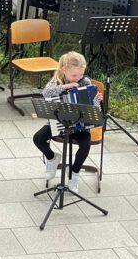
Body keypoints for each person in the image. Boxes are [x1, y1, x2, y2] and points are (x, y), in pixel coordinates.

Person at [32, 52, 102, 192]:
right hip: (59, 122)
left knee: (85, 145)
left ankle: (74, 172)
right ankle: (52, 158)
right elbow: (46, 93)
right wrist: (65, 87)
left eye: (81, 75)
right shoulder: (57, 80)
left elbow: (93, 108)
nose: (78, 78)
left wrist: (96, 100)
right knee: (38, 138)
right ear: (64, 70)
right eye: (74, 76)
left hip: (79, 125)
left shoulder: (85, 82)